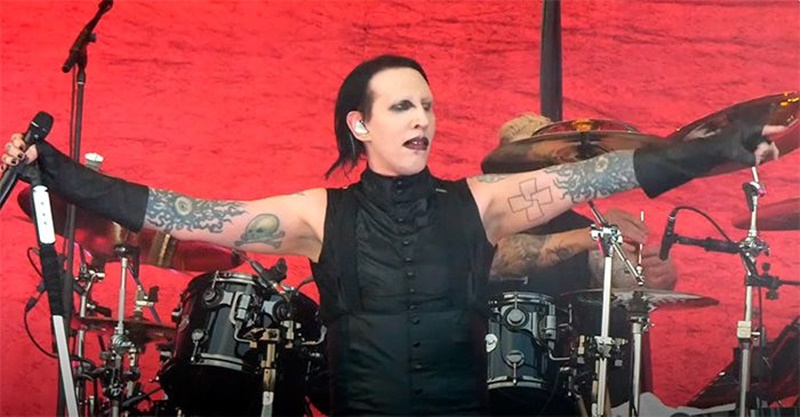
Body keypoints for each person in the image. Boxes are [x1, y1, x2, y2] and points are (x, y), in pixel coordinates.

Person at [1, 55, 781, 416]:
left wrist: (719, 146)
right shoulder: (319, 215)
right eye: (402, 106)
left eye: (428, 106)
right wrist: (58, 172)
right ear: (360, 124)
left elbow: (601, 173)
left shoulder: (479, 203)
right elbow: (184, 211)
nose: (422, 118)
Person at [486, 113, 678, 415]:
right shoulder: (477, 221)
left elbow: (626, 287)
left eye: (542, 168)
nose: (531, 178)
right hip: (476, 383)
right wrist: (591, 235)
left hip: (565, 389)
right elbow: (502, 258)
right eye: (520, 168)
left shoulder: (581, 226)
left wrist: (654, 278)